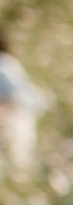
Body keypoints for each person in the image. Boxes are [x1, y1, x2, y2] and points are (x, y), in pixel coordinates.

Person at [0, 36, 44, 179]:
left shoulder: (4, 65)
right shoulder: (8, 63)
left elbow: (17, 97)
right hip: (16, 119)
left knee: (17, 168)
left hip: (15, 120)